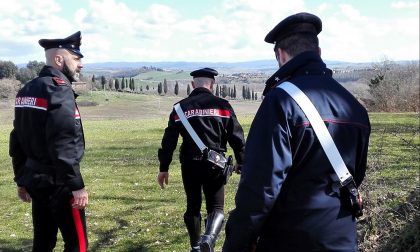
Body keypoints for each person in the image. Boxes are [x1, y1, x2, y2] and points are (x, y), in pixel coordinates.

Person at [223, 12, 371, 252]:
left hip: (289, 238)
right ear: (318, 53)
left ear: (281, 55)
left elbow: (261, 188)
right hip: (342, 237)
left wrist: (237, 243)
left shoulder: (280, 101)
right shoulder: (354, 106)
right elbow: (356, 175)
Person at [9, 31, 88, 252]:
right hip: (60, 184)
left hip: (35, 180)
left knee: (43, 243)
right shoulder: (59, 90)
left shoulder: (27, 89)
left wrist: (21, 179)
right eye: (76, 58)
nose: (80, 64)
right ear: (59, 59)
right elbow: (63, 142)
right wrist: (77, 186)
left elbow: (17, 139)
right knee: (78, 245)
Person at [157, 68, 246, 252]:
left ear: (192, 85)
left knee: (193, 206)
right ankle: (209, 239)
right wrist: (241, 160)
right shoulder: (223, 106)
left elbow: (169, 141)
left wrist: (163, 167)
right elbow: (237, 136)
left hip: (189, 164)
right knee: (216, 207)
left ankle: (196, 246)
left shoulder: (179, 108)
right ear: (212, 84)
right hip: (216, 165)